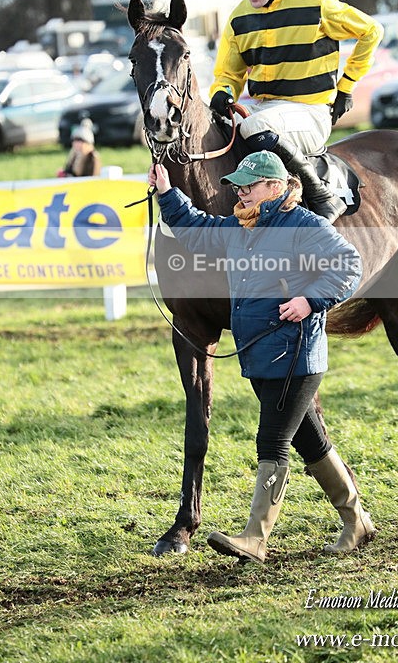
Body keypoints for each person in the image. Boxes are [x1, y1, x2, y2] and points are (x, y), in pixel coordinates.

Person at [148, 150, 375, 563]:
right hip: (262, 356)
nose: (240, 192)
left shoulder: (304, 224)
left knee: (272, 441)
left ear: (275, 186)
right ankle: (357, 520)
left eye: (249, 185)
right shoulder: (242, 226)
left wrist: (310, 300)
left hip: (295, 355)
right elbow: (197, 229)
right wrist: (166, 192)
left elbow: (348, 264)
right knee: (312, 442)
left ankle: (256, 537)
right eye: (237, 186)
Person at [209, 0, 384, 223]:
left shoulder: (316, 3)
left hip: (309, 112)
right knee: (217, 128)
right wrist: (222, 91)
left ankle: (322, 196)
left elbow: (371, 31)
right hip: (264, 110)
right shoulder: (239, 17)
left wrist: (346, 87)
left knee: (254, 125)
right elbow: (228, 72)